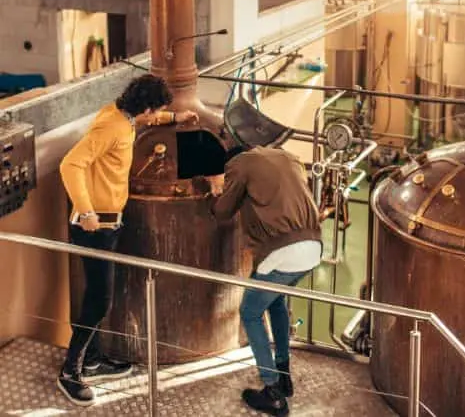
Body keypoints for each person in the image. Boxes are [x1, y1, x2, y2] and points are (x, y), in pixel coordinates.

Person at [57, 73, 198, 407]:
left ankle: (92, 361)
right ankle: (70, 373)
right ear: (145, 106)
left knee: (96, 293)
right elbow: (71, 164)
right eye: (156, 111)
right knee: (100, 300)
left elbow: (142, 120)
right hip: (96, 226)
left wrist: (174, 118)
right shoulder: (112, 127)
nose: (155, 118)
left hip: (109, 223)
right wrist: (86, 209)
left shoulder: (119, 114)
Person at [194, 143, 322, 417]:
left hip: (281, 253)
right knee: (276, 303)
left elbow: (222, 212)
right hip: (313, 246)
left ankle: (273, 391)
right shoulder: (286, 156)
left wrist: (215, 191)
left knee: (250, 313)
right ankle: (283, 373)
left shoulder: (240, 165)